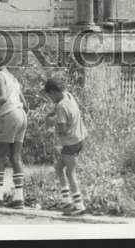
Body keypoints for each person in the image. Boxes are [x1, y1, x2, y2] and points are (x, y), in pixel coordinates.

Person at [0, 51, 29, 207]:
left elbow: (3, 98)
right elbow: (25, 104)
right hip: (22, 115)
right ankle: (18, 198)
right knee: (16, 158)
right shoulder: (12, 77)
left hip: (9, 116)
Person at [43, 75, 87, 215]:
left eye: (50, 96)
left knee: (70, 172)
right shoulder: (68, 96)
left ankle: (79, 205)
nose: (50, 99)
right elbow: (59, 107)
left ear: (54, 92)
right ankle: (66, 201)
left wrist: (51, 123)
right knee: (59, 168)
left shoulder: (61, 106)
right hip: (79, 138)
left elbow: (62, 129)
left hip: (70, 142)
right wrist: (52, 112)